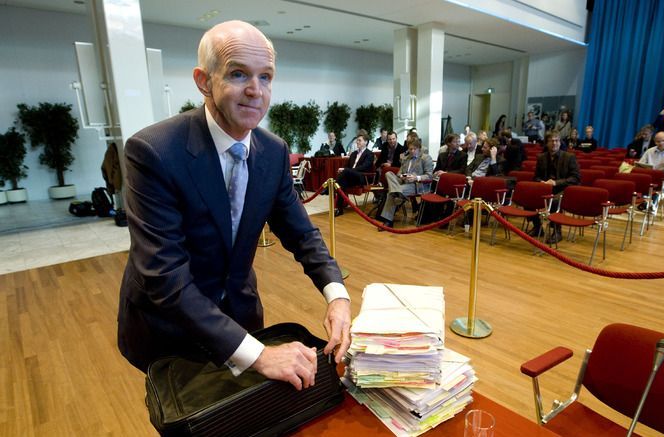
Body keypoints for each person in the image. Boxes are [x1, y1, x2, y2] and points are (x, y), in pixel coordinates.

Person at [117, 20, 351, 391]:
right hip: (168, 330)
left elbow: (301, 233)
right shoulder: (154, 151)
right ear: (203, 80)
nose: (256, 91)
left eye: (266, 77)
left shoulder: (273, 151)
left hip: (240, 315)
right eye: (238, 74)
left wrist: (336, 295)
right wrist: (259, 355)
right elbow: (164, 277)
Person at [532, 131, 580, 242]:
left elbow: (575, 178)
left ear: (560, 142)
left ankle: (557, 231)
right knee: (527, 195)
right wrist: (542, 182)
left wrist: (555, 182)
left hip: (564, 189)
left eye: (557, 140)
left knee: (554, 201)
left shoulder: (569, 157)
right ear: (547, 143)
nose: (554, 143)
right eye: (551, 141)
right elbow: (536, 177)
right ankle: (537, 226)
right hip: (545, 188)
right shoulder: (541, 157)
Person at [377, 138, 433, 228]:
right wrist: (402, 176)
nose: (412, 151)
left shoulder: (425, 158)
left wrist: (416, 177)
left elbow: (430, 176)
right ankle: (398, 193)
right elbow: (399, 173)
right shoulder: (406, 159)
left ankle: (388, 221)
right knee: (388, 174)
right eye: (410, 149)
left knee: (391, 194)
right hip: (403, 182)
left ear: (419, 148)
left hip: (416, 184)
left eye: (414, 149)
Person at [335, 130, 374, 216]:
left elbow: (364, 167)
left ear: (366, 142)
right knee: (341, 184)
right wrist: (345, 170)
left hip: (362, 177)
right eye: (357, 140)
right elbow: (347, 166)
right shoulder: (353, 154)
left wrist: (347, 170)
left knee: (344, 173)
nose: (357, 142)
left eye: (359, 140)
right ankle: (339, 209)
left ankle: (330, 187)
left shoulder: (369, 154)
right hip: (350, 177)